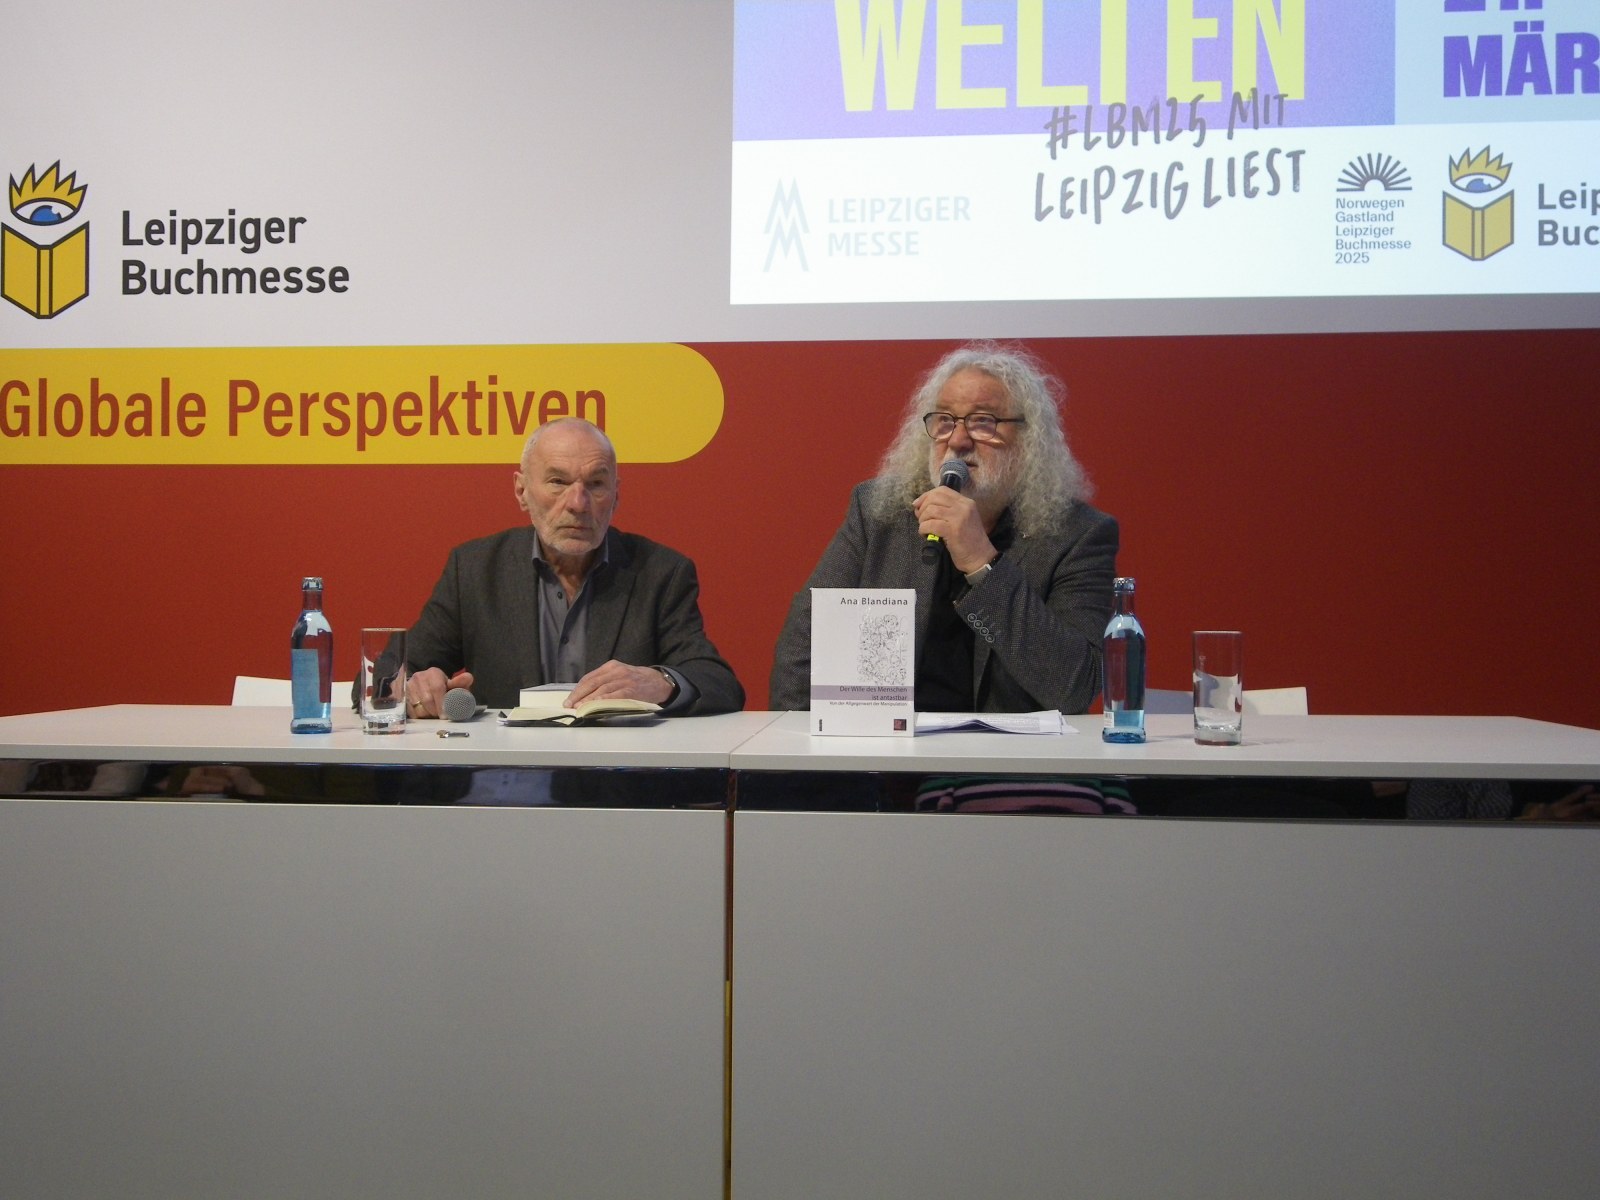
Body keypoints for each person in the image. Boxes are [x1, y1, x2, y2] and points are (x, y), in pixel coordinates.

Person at [769, 341, 1118, 716]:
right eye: (945, 421)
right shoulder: (879, 511)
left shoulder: (1077, 534)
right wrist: (797, 741)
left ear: (1029, 441)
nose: (958, 440)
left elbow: (1074, 687)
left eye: (983, 422)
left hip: (1010, 749)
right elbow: (805, 642)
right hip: (888, 743)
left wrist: (982, 563)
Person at [401, 417, 744, 717]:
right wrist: (416, 688)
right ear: (522, 491)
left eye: (595, 484)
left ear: (616, 495)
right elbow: (392, 671)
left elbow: (718, 683)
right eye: (558, 482)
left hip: (617, 765)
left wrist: (660, 682)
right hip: (506, 765)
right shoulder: (475, 570)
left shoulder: (660, 573)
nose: (578, 504)